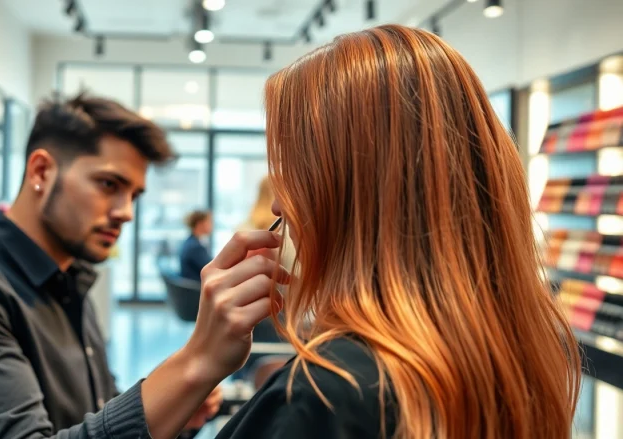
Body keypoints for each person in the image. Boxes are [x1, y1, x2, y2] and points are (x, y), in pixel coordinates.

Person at [216, 25, 581, 439]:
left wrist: (195, 368)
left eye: (297, 174)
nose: (280, 206)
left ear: (356, 190)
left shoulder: (330, 393)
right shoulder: (516, 362)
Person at [0, 93, 289, 439]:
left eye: (134, 194)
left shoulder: (71, 280)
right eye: (108, 185)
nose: (126, 212)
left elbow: (95, 415)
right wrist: (195, 362)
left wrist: (178, 413)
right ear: (41, 171)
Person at [179, 210, 213, 282]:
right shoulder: (195, 248)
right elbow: (212, 269)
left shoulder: (190, 242)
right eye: (209, 222)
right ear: (200, 224)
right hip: (196, 289)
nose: (211, 225)